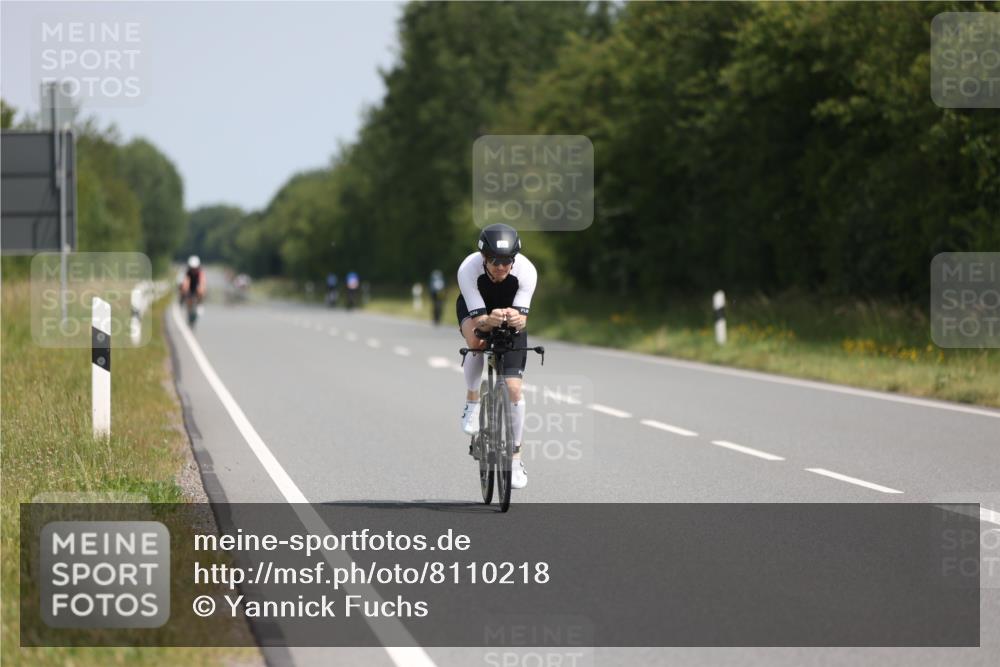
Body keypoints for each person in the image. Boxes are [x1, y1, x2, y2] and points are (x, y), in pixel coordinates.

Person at [456, 223, 537, 489]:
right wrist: (488, 320)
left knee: (514, 388)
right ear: (483, 258)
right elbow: (479, 323)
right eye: (494, 261)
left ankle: (514, 459)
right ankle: (472, 400)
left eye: (506, 261)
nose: (501, 267)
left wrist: (516, 318)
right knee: (477, 343)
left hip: (509, 313)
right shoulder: (468, 270)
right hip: (478, 309)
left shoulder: (526, 271)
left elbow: (522, 322)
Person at [181, 255, 206, 323]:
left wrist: (201, 288)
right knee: (185, 291)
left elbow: (202, 281)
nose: (193, 270)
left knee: (201, 290)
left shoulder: (200, 273)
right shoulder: (187, 273)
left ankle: (199, 304)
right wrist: (185, 289)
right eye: (192, 268)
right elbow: (186, 281)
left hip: (197, 286)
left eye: (195, 268)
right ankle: (188, 309)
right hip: (190, 287)